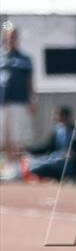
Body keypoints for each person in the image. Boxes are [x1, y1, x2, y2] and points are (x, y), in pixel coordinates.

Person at [0, 22, 35, 179]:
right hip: (3, 103)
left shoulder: (25, 59)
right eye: (9, 35)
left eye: (14, 35)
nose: (11, 38)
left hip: (19, 102)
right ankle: (9, 166)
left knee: (17, 136)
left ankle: (18, 168)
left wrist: (32, 99)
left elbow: (30, 82)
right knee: (5, 136)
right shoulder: (1, 58)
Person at [22, 106, 76, 181]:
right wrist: (28, 149)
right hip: (55, 159)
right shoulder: (57, 131)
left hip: (70, 164)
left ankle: (68, 177)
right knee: (34, 166)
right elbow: (47, 148)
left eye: (58, 114)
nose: (55, 116)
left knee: (60, 165)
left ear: (65, 116)